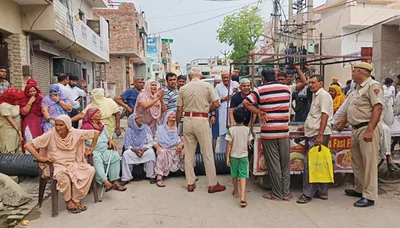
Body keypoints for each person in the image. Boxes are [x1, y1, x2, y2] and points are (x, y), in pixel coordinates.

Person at [25, 115, 99, 214]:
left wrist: (91, 149)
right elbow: (28, 145)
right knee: (62, 175)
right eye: (56, 125)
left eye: (61, 125)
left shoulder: (75, 133)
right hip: (55, 165)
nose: (58, 128)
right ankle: (69, 201)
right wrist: (41, 158)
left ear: (68, 126)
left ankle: (76, 199)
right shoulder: (50, 134)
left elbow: (96, 133)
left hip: (73, 164)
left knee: (90, 170)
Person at [243, 69, 292, 201]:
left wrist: (259, 111)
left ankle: (277, 193)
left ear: (263, 78)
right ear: (275, 77)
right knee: (285, 163)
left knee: (274, 163)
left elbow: (246, 102)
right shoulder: (286, 89)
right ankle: (286, 193)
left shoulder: (260, 90)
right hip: (284, 131)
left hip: (269, 132)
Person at [176, 68, 226, 193]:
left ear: (190, 76)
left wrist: (178, 125)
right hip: (201, 119)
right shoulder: (207, 86)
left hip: (187, 119)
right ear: (200, 75)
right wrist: (207, 110)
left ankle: (190, 183)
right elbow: (216, 103)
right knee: (208, 153)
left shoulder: (183, 88)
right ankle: (212, 184)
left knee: (189, 153)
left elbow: (179, 109)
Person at [343, 62, 383, 207]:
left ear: (360, 72)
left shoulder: (373, 86)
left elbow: (378, 108)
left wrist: (370, 129)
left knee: (369, 163)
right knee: (357, 162)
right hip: (356, 128)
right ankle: (360, 189)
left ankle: (370, 196)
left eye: (354, 71)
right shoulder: (358, 88)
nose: (352, 74)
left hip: (366, 128)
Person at [296, 75, 333, 204]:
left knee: (310, 165)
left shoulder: (323, 95)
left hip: (317, 134)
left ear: (321, 83)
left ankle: (307, 194)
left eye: (313, 82)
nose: (311, 85)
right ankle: (322, 192)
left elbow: (324, 115)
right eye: (309, 83)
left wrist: (320, 134)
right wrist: (305, 127)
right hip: (313, 132)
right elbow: (315, 116)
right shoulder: (316, 95)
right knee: (319, 164)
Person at [81, 108, 126, 192]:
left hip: (104, 149)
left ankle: (115, 182)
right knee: (96, 159)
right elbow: (82, 142)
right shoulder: (85, 128)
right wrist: (88, 149)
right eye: (97, 113)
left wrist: (110, 140)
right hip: (94, 150)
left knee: (115, 155)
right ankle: (105, 182)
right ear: (91, 116)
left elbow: (108, 137)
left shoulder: (102, 125)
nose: (100, 114)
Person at [225, 108, 253, 207]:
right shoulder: (247, 130)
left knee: (234, 174)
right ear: (244, 118)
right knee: (243, 175)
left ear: (234, 118)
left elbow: (229, 143)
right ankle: (243, 197)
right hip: (244, 156)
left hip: (233, 156)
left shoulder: (231, 130)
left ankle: (236, 191)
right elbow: (249, 142)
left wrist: (227, 157)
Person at [120, 113, 157, 185]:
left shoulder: (146, 128)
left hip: (144, 149)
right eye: (137, 118)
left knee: (151, 152)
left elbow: (150, 142)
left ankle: (151, 175)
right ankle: (126, 177)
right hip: (133, 150)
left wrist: (144, 149)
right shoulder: (129, 131)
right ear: (132, 121)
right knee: (126, 154)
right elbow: (127, 145)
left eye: (140, 117)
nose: (140, 119)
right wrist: (135, 150)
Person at [154, 111, 185, 187]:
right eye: (171, 114)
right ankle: (159, 177)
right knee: (162, 152)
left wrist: (181, 145)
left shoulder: (178, 128)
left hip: (175, 149)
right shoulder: (161, 128)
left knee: (185, 152)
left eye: (174, 114)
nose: (173, 115)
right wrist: (157, 147)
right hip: (164, 149)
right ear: (167, 117)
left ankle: (189, 173)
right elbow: (155, 141)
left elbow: (184, 139)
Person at [19, 83, 43, 153]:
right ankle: (28, 161)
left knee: (39, 142)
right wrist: (30, 102)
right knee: (30, 140)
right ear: (26, 92)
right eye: (30, 91)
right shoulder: (23, 100)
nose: (33, 93)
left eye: (34, 91)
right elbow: (24, 112)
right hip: (29, 123)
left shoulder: (40, 99)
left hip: (39, 123)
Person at [215, 72, 235, 154]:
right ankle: (223, 155)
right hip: (223, 112)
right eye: (224, 78)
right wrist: (224, 99)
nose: (226, 79)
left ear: (230, 77)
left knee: (234, 133)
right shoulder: (218, 87)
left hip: (234, 112)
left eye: (227, 77)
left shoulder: (235, 84)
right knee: (223, 134)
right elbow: (215, 101)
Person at [0, 88, 22, 153]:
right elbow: (11, 120)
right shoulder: (4, 106)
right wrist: (18, 131)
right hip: (7, 131)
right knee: (8, 149)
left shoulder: (14, 103)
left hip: (15, 131)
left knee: (15, 147)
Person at [211, 75, 222, 152]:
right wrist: (213, 115)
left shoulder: (224, 89)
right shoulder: (212, 91)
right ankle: (213, 152)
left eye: (219, 82)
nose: (217, 84)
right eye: (216, 82)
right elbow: (212, 104)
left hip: (223, 114)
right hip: (216, 114)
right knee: (214, 135)